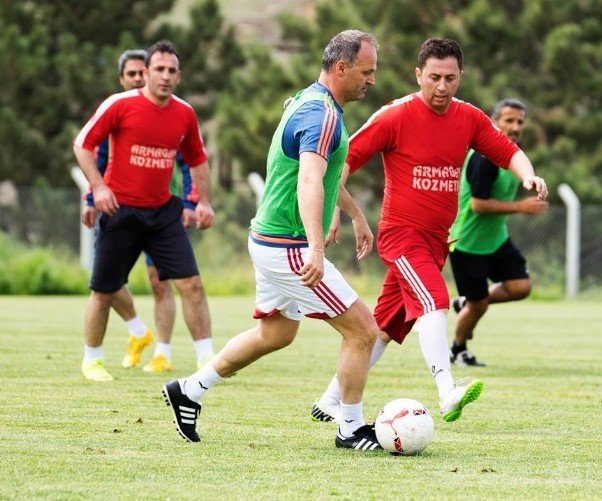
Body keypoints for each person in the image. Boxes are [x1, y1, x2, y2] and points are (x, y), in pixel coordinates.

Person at [162, 30, 383, 451]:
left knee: (275, 334)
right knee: (362, 330)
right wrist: (316, 247)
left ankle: (189, 390)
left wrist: (355, 215)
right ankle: (351, 429)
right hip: (289, 246)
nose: (371, 80)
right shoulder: (322, 115)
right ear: (341, 68)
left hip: (270, 238)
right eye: (366, 71)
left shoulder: (309, 100)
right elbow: (308, 180)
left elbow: (326, 174)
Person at [311, 38, 548, 424]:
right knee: (435, 300)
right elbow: (343, 161)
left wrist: (529, 175)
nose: (441, 86)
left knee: (382, 328)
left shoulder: (469, 118)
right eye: (434, 77)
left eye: (450, 78)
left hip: (437, 241)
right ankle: (446, 389)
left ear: (460, 77)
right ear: (418, 74)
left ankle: (330, 399)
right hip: (401, 236)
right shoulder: (394, 116)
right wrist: (339, 212)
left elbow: (507, 151)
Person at [73, 40, 215, 382]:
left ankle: (206, 358)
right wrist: (99, 187)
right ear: (147, 72)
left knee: (191, 284)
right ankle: (92, 360)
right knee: (104, 289)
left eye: (172, 71)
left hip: (163, 212)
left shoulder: (184, 113)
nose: (165, 76)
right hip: (120, 210)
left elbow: (197, 160)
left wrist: (204, 202)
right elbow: (83, 145)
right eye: (159, 70)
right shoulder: (119, 105)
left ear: (179, 76)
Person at [448, 99, 548, 367]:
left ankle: (466, 301)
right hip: (467, 243)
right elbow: (477, 205)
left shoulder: (511, 153)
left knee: (521, 287)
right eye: (509, 121)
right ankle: (458, 350)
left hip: (495, 239)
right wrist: (521, 207)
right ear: (494, 122)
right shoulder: (484, 157)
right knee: (479, 306)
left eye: (520, 122)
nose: (515, 126)